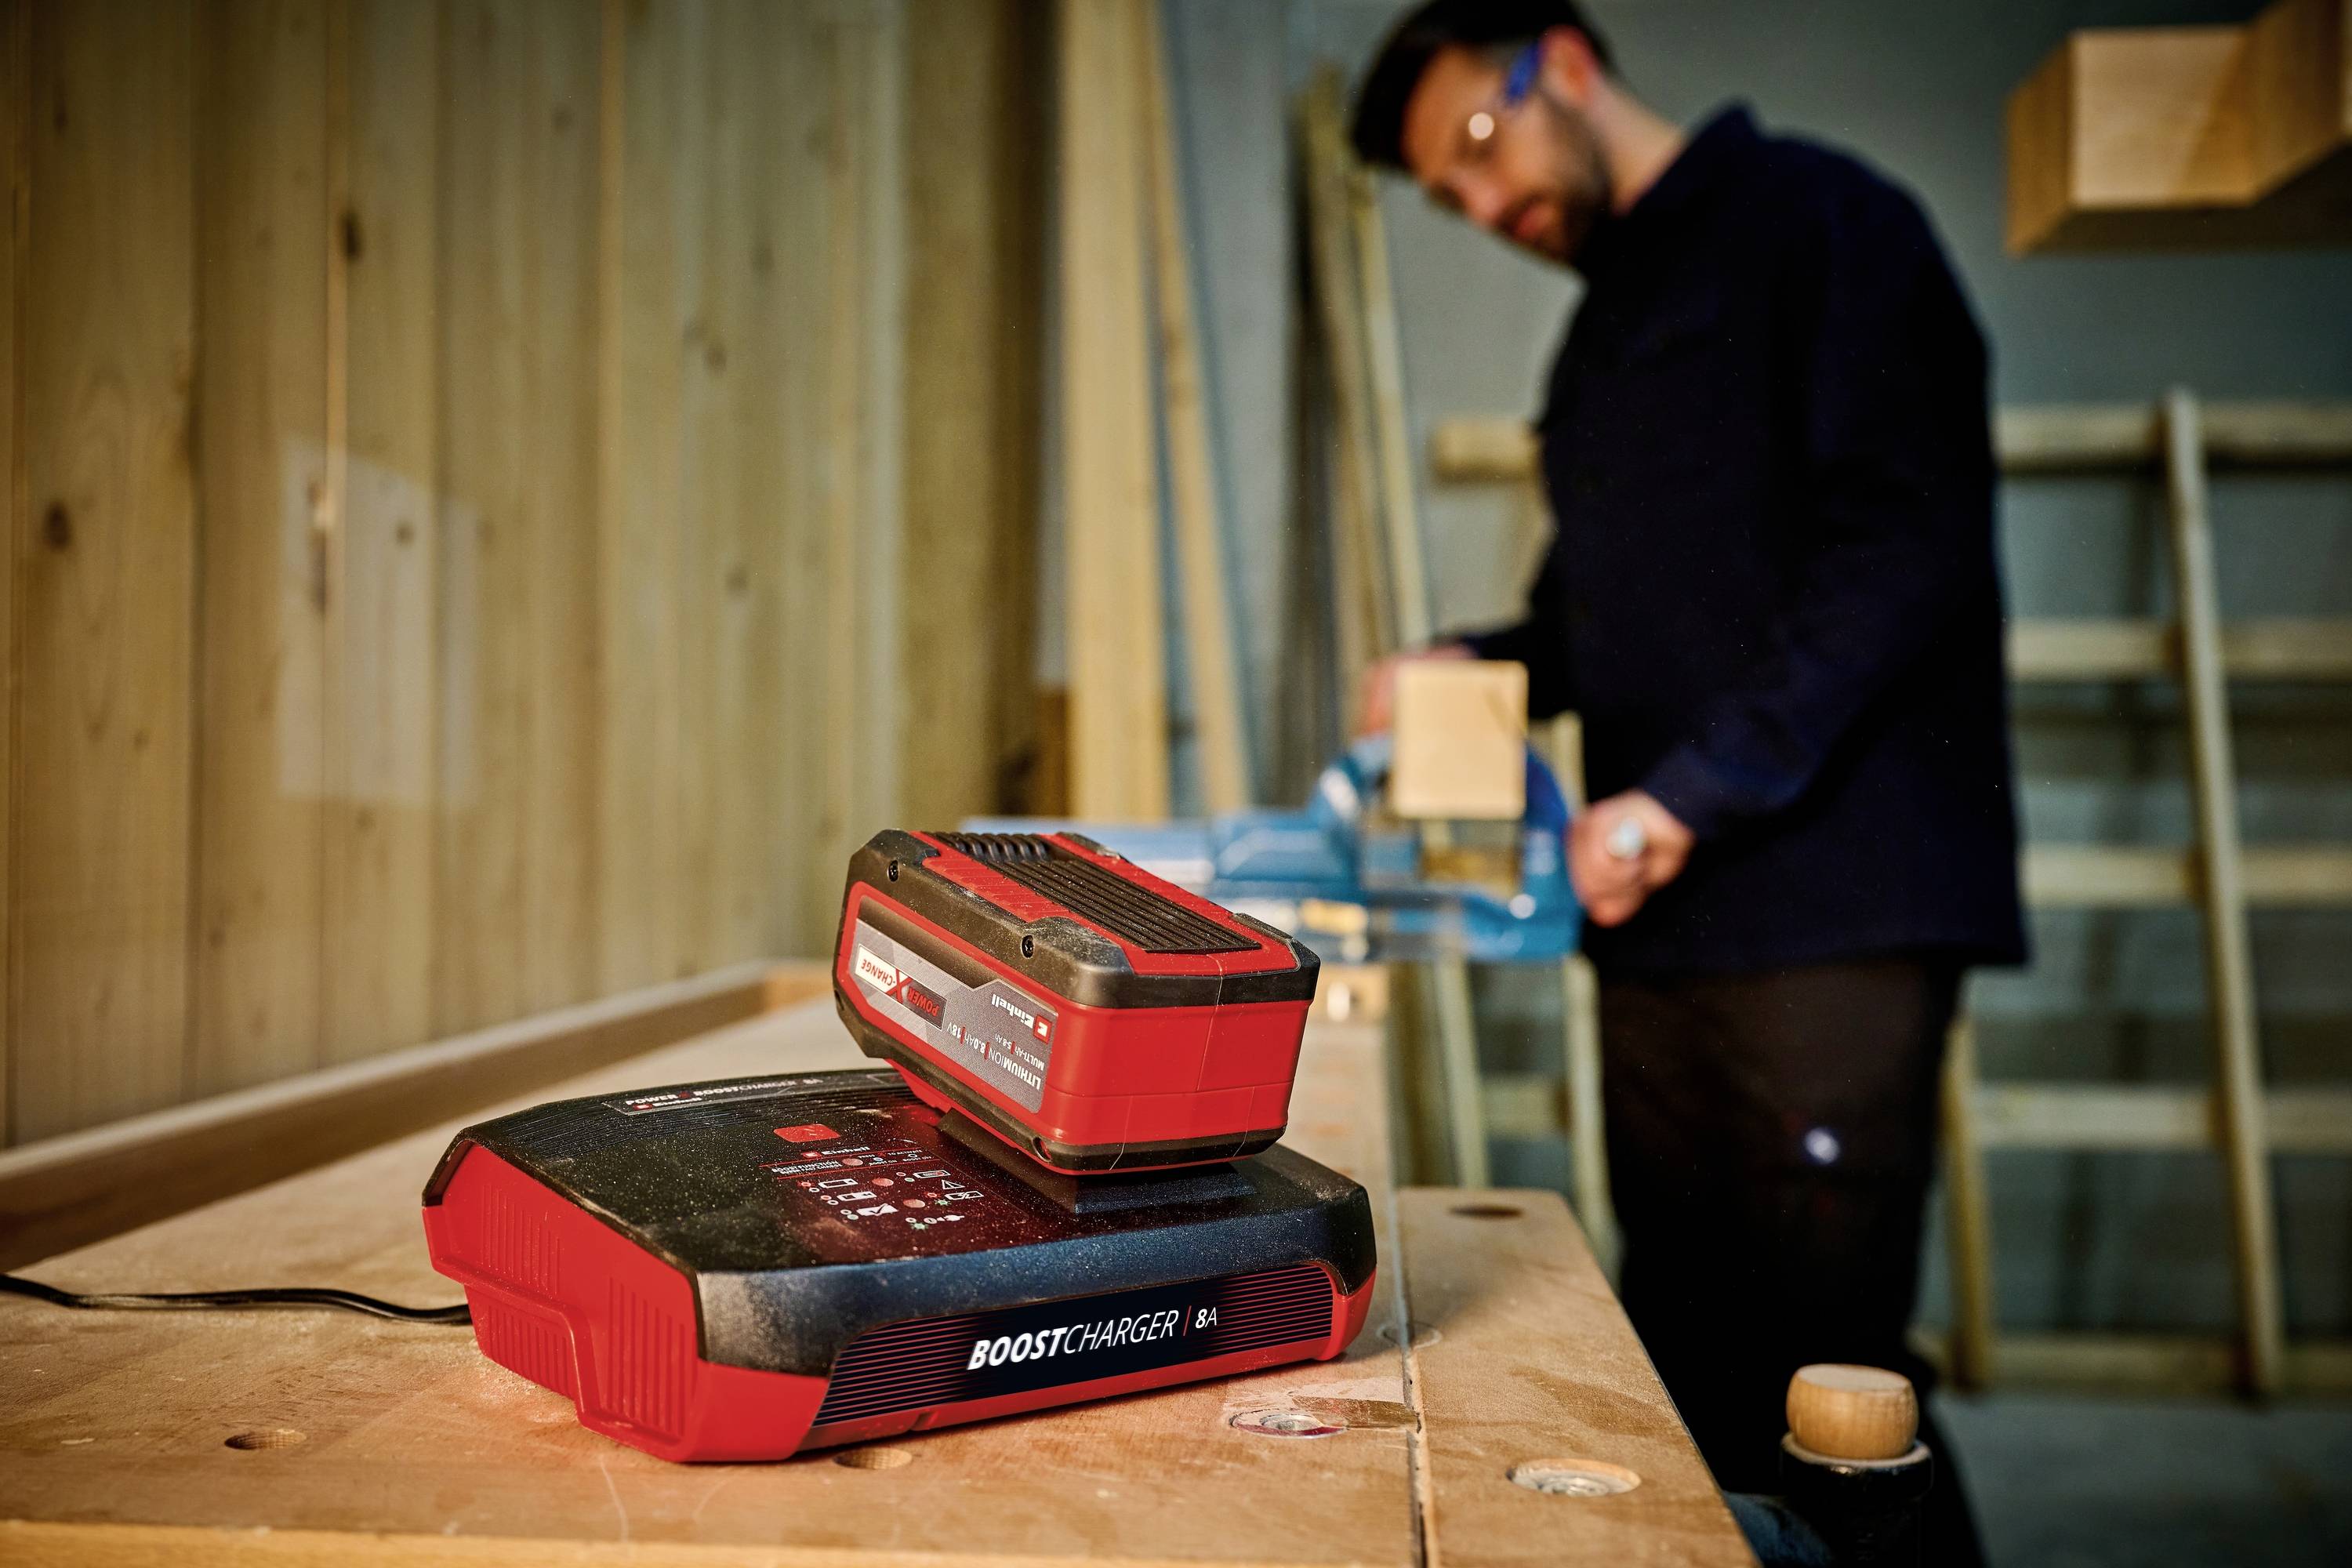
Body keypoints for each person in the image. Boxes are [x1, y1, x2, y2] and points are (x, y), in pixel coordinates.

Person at [1348, 5, 2027, 1563]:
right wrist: (1467, 658)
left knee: (1831, 1388)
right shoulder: (1602, 341)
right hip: (1659, 919)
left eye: (1480, 144)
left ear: (1567, 64)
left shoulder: (1830, 229)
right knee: (1682, 1363)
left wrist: (1690, 794)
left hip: (1830, 914)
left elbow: (1896, 556)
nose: (1485, 203)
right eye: (1449, 195)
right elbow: (1600, 624)